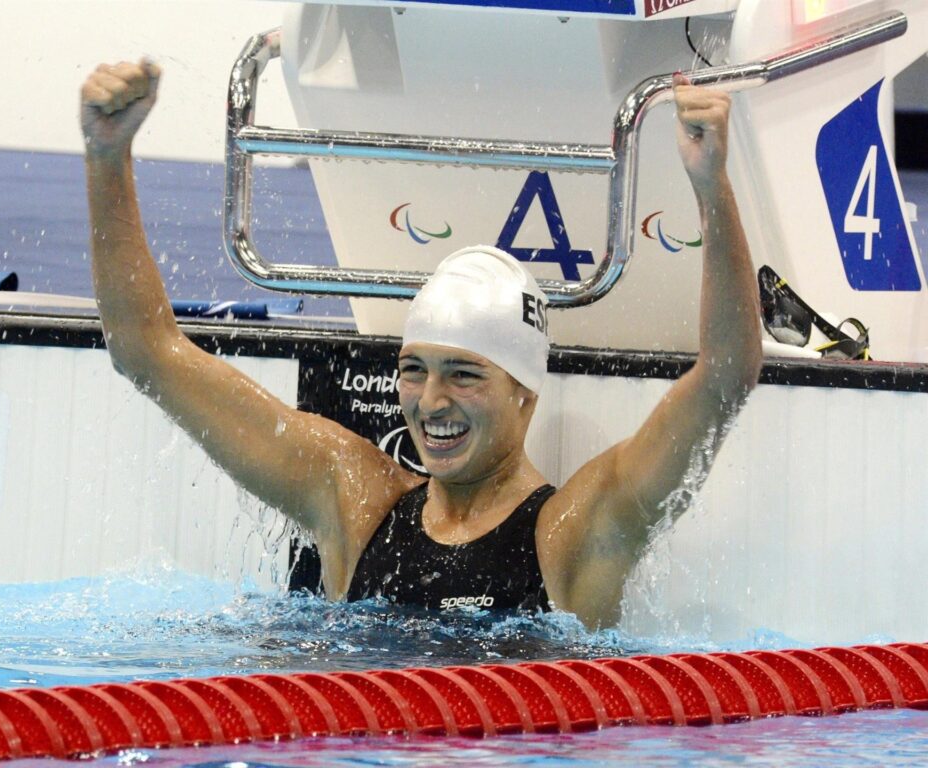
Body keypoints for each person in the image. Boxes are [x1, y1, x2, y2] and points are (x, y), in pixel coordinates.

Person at [81, 60, 762, 627]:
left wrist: (711, 187)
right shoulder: (355, 500)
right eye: (414, 370)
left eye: (464, 375)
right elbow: (146, 350)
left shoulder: (567, 538)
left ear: (524, 391)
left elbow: (727, 374)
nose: (431, 401)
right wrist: (108, 159)